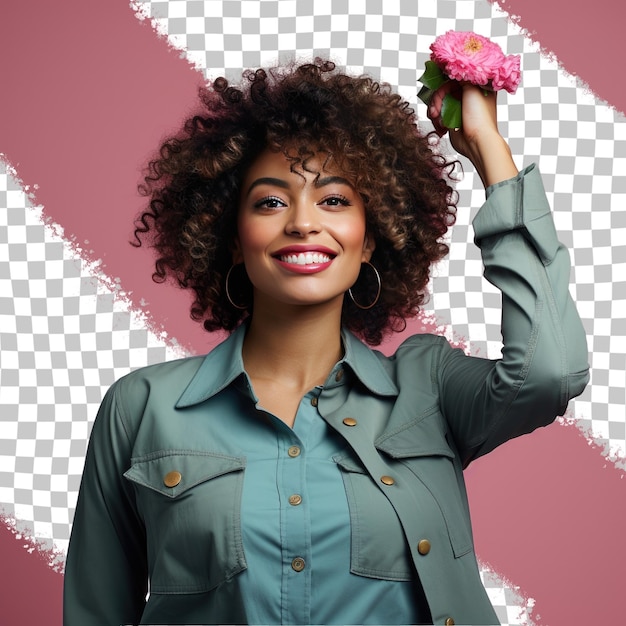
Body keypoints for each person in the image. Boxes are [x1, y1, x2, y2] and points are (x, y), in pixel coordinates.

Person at [63, 59, 589, 625]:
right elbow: (97, 610)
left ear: (370, 240)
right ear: (231, 238)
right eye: (270, 202)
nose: (303, 224)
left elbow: (549, 372)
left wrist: (488, 149)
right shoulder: (143, 408)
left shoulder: (428, 388)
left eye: (334, 200)